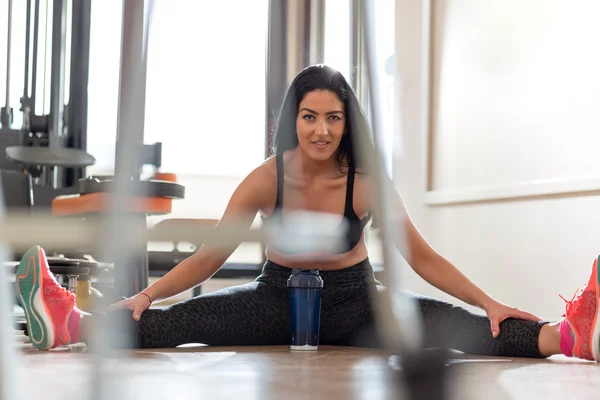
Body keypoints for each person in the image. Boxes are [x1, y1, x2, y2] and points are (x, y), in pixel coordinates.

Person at [15, 65, 599, 362]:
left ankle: (572, 336)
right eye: (310, 116)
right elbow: (213, 254)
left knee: (460, 329)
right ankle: (69, 324)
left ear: (349, 123)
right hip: (274, 299)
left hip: (357, 304)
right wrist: (149, 295)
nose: (322, 130)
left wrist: (490, 302)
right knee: (176, 328)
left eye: (334, 118)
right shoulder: (267, 178)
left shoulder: (366, 184)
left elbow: (419, 256)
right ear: (293, 118)